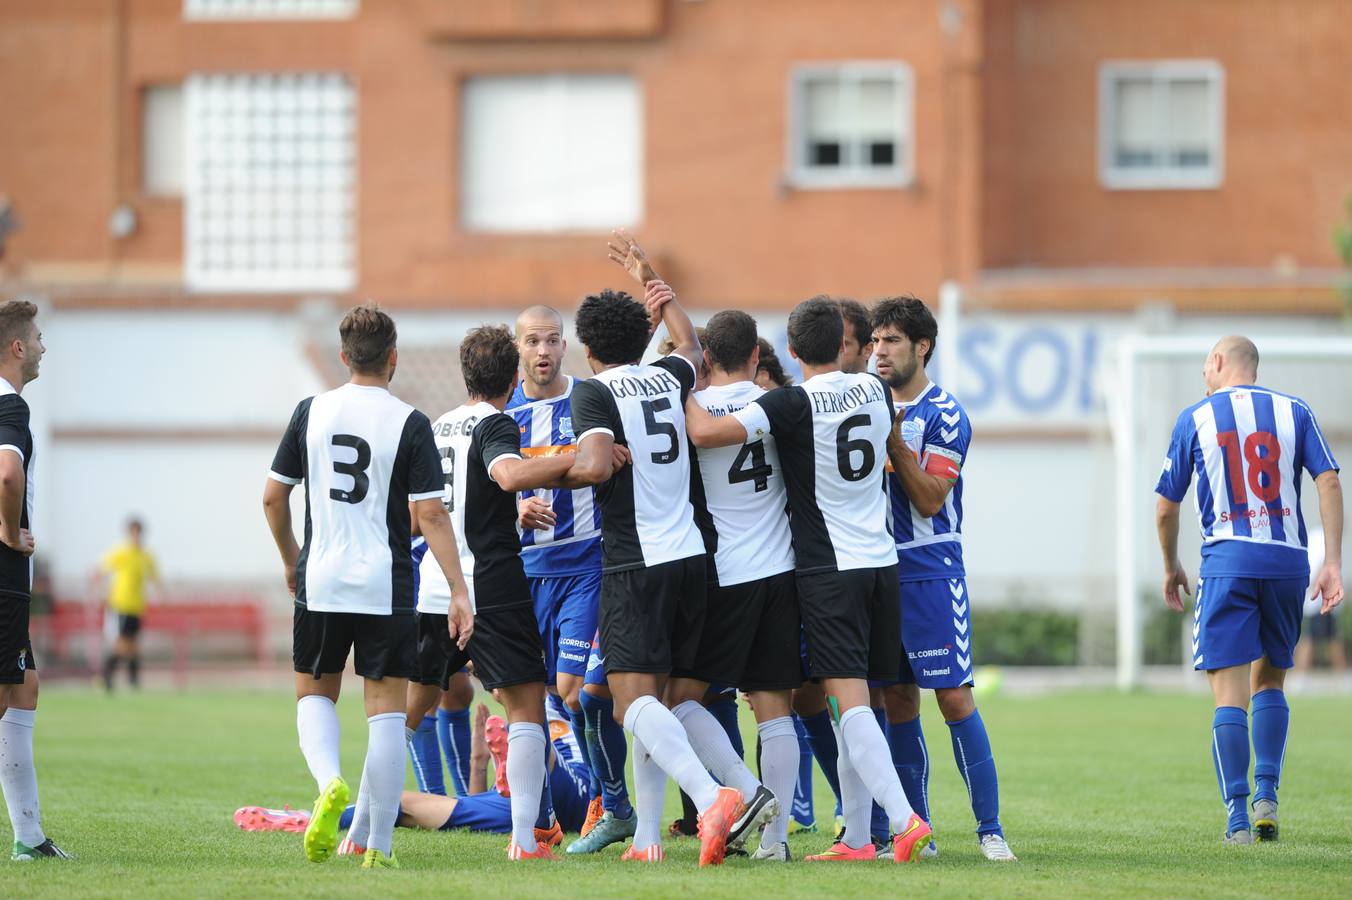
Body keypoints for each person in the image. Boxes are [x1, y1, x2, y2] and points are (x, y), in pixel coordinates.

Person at [685, 296, 932, 864]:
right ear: (856, 346)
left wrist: (681, 381)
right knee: (861, 707)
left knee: (850, 706)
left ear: (792, 351)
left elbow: (705, 433)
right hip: (881, 564)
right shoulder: (874, 388)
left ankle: (904, 822)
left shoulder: (790, 404)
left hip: (831, 570)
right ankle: (858, 839)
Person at [400, 324, 628, 862]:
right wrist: (576, 459)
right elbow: (506, 476)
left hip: (434, 589)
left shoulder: (438, 427)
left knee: (403, 715)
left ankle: (361, 828)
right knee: (528, 707)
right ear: (512, 375)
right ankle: (527, 839)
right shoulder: (496, 422)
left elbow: (423, 513)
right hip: (490, 589)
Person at [263, 304, 474, 870]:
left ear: (342, 356)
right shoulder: (409, 422)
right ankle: (378, 847)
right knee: (385, 716)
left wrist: (292, 561)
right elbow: (429, 513)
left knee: (314, 696)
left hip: (322, 577)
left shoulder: (312, 411)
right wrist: (457, 588)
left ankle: (330, 782)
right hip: (385, 583)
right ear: (393, 358)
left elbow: (272, 497)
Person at [564, 253, 753, 867]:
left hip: (636, 561)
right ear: (646, 337)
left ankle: (711, 797)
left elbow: (592, 466)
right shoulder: (671, 374)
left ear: (587, 348)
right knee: (660, 702)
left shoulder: (592, 391)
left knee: (629, 703)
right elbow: (691, 341)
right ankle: (648, 839)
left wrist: (539, 471)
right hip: (692, 557)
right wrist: (658, 287)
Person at [1155, 335, 1344, 844]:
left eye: (1204, 365)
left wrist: (1172, 565)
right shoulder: (1295, 410)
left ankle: (1238, 818)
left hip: (1227, 562)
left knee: (1228, 696)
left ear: (1218, 362)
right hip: (1287, 563)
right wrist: (1332, 562)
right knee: (1271, 683)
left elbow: (1166, 507)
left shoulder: (1195, 417)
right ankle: (1267, 796)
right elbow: (1328, 480)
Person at [873, 296, 1016, 862]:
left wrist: (892, 442)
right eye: (876, 342)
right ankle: (919, 832)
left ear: (922, 347)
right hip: (877, 572)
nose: (879, 352)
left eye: (892, 342)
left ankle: (990, 831)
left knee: (953, 699)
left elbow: (932, 499)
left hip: (931, 571)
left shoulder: (946, 413)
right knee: (897, 701)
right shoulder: (865, 405)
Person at [505, 305, 636, 854]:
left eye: (552, 340)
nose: (543, 351)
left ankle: (607, 801)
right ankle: (545, 819)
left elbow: (616, 458)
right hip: (528, 572)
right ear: (519, 347)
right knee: (530, 699)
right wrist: (515, 512)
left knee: (574, 692)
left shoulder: (588, 399)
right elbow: (485, 492)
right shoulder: (504, 412)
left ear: (566, 346)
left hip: (586, 564)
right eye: (533, 341)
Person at [687, 309, 804, 862]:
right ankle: (775, 844)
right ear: (758, 358)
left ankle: (744, 791)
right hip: (781, 571)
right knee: (773, 707)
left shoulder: (697, 406)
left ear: (706, 358)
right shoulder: (771, 404)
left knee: (677, 700)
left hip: (725, 576)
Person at [237, 699, 593, 838]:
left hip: (575, 787)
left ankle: (523, 754)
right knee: (402, 804)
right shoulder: (523, 689)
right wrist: (478, 762)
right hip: (514, 806)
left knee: (533, 739)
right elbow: (477, 795)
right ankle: (301, 819)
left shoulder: (564, 694)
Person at [0, 299, 68, 861]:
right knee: (4, 694)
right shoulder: (10, 409)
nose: (44, 346)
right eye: (39, 338)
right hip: (4, 576)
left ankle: (29, 839)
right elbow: (7, 472)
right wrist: (8, 529)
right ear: (18, 347)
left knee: (23, 688)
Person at [96, 518, 162, 691]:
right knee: (122, 644)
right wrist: (102, 593)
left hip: (137, 606)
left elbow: (155, 577)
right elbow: (102, 572)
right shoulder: (120, 553)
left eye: (138, 532)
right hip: (120, 605)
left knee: (133, 645)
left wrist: (161, 595)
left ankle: (133, 680)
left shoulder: (146, 556)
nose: (136, 536)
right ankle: (105, 676)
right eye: (133, 532)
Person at [1291, 529, 1348, 686]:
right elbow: (1322, 567)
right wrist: (1315, 591)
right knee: (1312, 638)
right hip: (1320, 601)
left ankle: (1343, 676)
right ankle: (1299, 677)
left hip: (1318, 601)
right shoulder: (1327, 541)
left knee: (1332, 638)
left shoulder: (1314, 537)